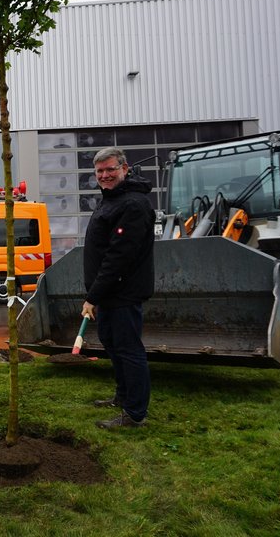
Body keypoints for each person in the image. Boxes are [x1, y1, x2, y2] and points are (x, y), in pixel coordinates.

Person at [81, 147, 155, 429]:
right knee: (113, 346)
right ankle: (123, 397)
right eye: (100, 171)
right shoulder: (112, 200)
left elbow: (118, 257)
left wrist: (92, 297)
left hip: (123, 293)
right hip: (109, 294)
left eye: (110, 169)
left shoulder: (133, 205)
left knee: (128, 350)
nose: (104, 175)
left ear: (125, 168)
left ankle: (135, 414)